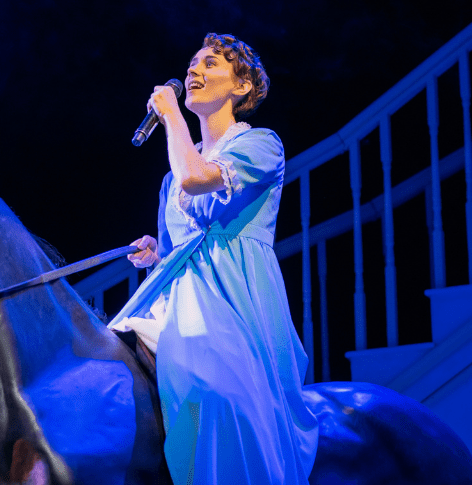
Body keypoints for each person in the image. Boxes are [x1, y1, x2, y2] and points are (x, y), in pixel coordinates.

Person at [109, 33, 319, 485]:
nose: (193, 72)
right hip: (178, 295)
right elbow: (182, 229)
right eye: (192, 64)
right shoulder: (173, 173)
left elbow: (197, 180)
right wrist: (158, 250)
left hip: (233, 300)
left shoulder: (262, 145)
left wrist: (170, 117)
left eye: (210, 64)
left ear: (241, 87)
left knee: (217, 396)